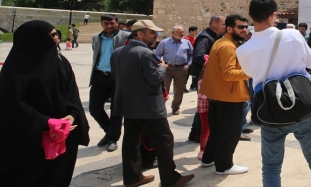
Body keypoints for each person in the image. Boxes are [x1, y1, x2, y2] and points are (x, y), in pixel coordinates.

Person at [237, 0, 311, 187]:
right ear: (274, 15)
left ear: (249, 15)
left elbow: (250, 73)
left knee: (271, 166)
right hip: (304, 105)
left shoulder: (244, 50)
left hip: (271, 109)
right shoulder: (293, 35)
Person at [0, 21, 90, 186]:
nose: (56, 38)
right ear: (34, 39)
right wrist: (46, 122)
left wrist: (72, 116)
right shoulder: (15, 70)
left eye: (57, 34)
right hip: (31, 142)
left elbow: (72, 95)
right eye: (52, 35)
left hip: (63, 137)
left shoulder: (61, 63)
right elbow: (11, 106)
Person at [111, 20, 194, 187]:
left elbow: (115, 76)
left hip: (128, 104)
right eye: (152, 33)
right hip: (148, 107)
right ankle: (170, 178)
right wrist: (162, 67)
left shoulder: (118, 52)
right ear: (140, 34)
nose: (156, 36)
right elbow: (155, 78)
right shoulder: (146, 53)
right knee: (164, 139)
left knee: (131, 141)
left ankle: (132, 177)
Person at [199, 14, 250, 175]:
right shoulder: (227, 46)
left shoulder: (222, 42)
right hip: (229, 97)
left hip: (220, 95)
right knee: (229, 134)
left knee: (218, 132)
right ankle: (224, 165)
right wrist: (250, 71)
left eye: (245, 27)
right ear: (229, 28)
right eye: (240, 27)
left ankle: (208, 159)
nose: (244, 30)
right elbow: (228, 74)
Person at [89, 14, 131, 152]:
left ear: (117, 23)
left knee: (116, 109)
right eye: (106, 23)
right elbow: (96, 54)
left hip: (117, 77)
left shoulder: (126, 37)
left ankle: (113, 139)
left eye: (112, 23)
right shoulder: (96, 38)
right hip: (100, 75)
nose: (109, 26)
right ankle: (109, 131)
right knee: (94, 108)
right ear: (101, 24)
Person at [187, 16, 225, 142]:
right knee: (204, 109)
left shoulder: (214, 36)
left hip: (207, 76)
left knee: (201, 108)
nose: (224, 27)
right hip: (203, 77)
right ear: (214, 23)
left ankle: (194, 134)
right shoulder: (205, 37)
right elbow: (199, 56)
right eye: (222, 24)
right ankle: (199, 136)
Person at [155, 25, 194, 115]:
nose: (182, 34)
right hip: (167, 69)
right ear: (173, 33)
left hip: (182, 68)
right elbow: (157, 54)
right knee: (164, 88)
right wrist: (161, 63)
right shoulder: (164, 42)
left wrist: (188, 64)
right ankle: (161, 108)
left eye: (183, 32)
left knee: (179, 90)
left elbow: (191, 54)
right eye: (180, 32)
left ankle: (176, 107)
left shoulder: (186, 42)